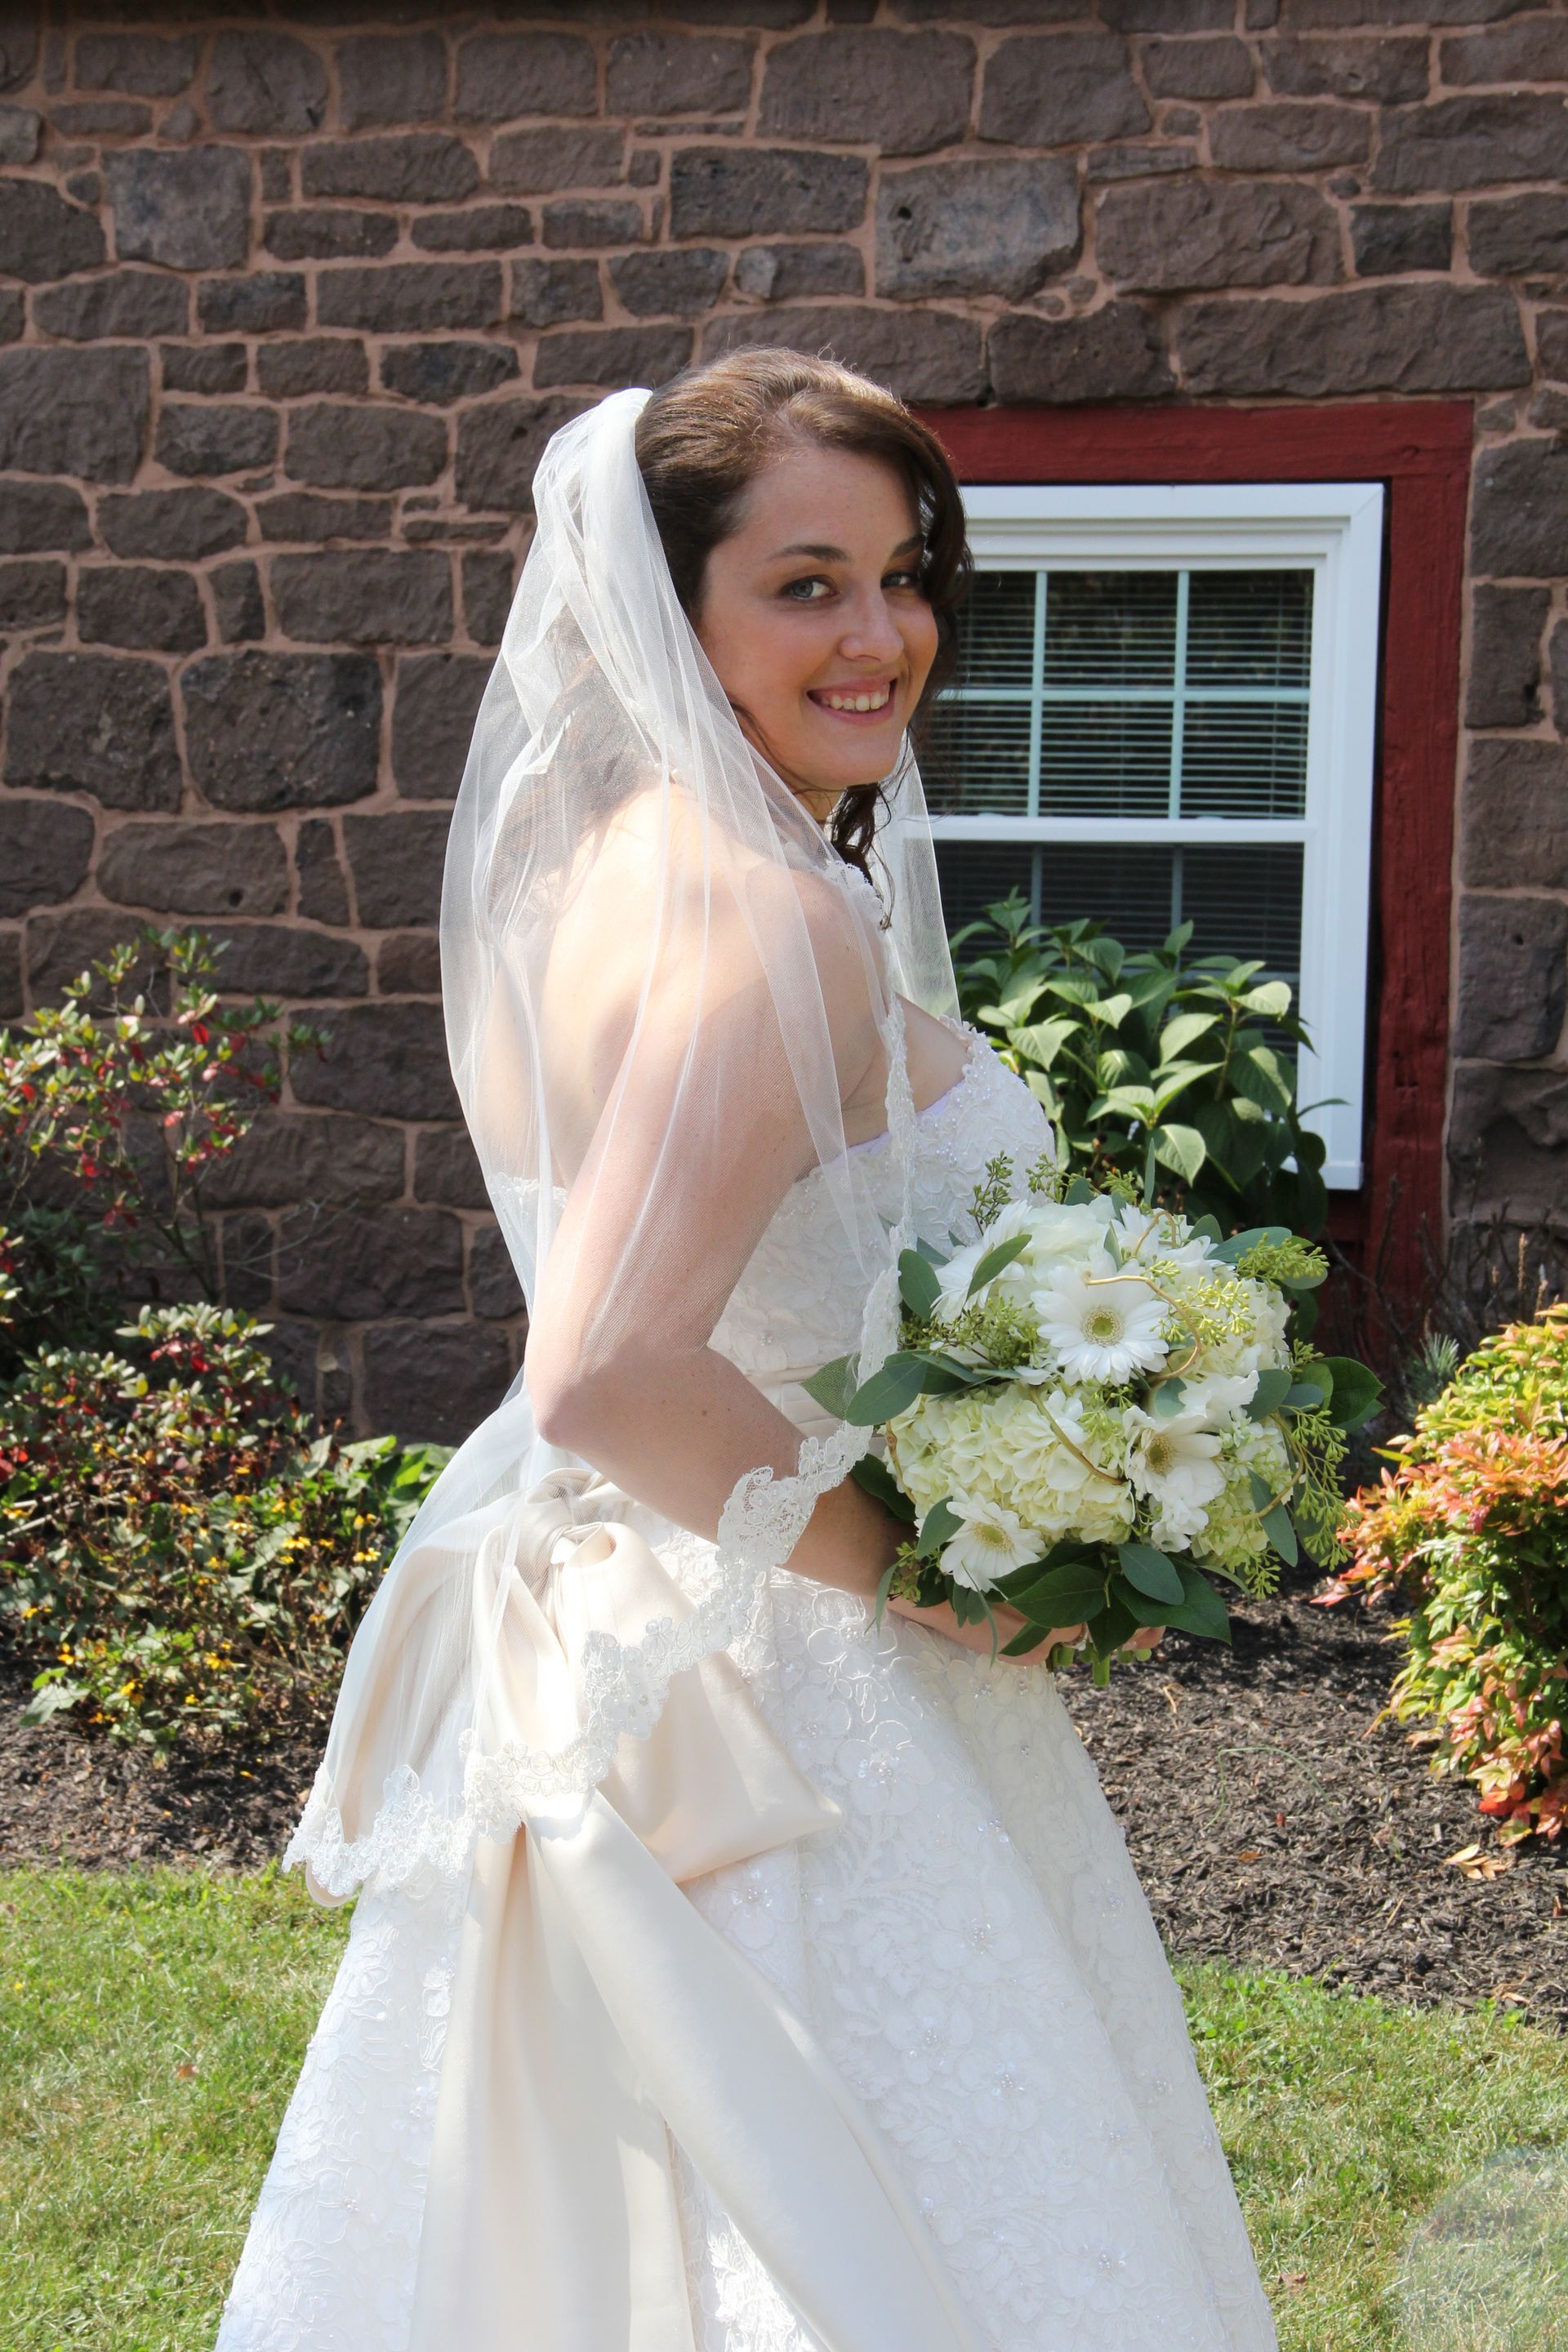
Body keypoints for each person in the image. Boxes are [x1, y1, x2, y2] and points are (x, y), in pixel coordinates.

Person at [216, 351, 1279, 2352]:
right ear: (670, 603)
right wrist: (956, 1584)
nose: (880, 637)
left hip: (650, 1647)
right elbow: (607, 1368)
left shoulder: (606, 877)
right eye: (805, 583)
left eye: (903, 575)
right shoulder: (771, 923)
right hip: (793, 1685)